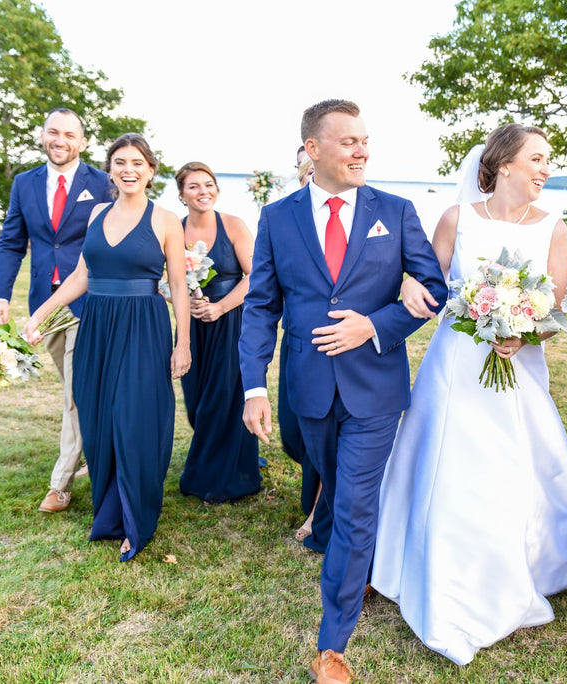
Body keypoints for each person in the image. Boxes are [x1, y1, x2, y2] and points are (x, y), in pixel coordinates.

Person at [239, 99, 447, 684]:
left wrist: (376, 325)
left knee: (355, 504)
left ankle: (333, 643)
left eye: (365, 140)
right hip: (308, 387)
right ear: (314, 149)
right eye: (349, 141)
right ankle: (347, 554)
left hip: (375, 388)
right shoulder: (278, 218)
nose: (362, 151)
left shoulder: (397, 210)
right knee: (333, 491)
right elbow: (261, 306)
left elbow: (433, 287)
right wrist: (254, 384)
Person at [370, 123, 567, 666]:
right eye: (537, 158)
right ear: (505, 163)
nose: (545, 169)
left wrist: (524, 329)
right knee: (452, 459)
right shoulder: (458, 218)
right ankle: (440, 569)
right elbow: (427, 283)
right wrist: (411, 289)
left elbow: (557, 311)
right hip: (458, 360)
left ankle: (523, 564)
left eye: (549, 160)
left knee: (513, 459)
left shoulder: (553, 228)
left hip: (519, 365)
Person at [24, 133, 191, 562]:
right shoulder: (98, 211)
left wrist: (183, 342)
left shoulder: (166, 220)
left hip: (143, 325)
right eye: (120, 162)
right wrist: (40, 314)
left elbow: (176, 286)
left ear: (151, 171)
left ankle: (137, 520)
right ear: (110, 169)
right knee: (97, 417)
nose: (128, 169)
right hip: (96, 323)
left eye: (138, 162)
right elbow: (81, 274)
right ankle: (110, 513)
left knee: (134, 419)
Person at [0, 108, 112, 513]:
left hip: (89, 299)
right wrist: (0, 295)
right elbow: (11, 242)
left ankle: (60, 484)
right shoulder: (25, 184)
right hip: (45, 304)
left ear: (83, 142)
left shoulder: (102, 182)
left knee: (74, 393)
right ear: (43, 135)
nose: (61, 141)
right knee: (77, 388)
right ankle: (99, 450)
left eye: (70, 135)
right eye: (53, 133)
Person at [174, 162, 261, 503]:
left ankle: (220, 479)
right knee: (196, 400)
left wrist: (220, 307)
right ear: (182, 194)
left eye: (208, 184)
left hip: (230, 323)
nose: (203, 191)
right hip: (191, 326)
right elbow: (163, 280)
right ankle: (224, 456)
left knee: (223, 398)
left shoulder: (234, 226)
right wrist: (183, 300)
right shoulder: (173, 229)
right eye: (194, 186)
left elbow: (255, 276)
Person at [278, 144, 330, 549]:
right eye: (302, 165)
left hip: (344, 349)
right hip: (297, 347)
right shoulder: (283, 216)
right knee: (297, 434)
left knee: (329, 438)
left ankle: (319, 510)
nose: (308, 169)